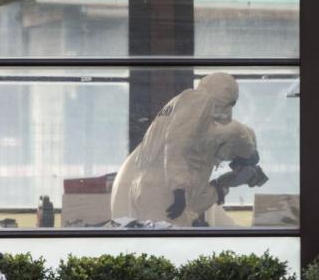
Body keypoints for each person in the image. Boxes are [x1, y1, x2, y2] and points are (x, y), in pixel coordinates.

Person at [110, 73, 267, 227]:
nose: (228, 161)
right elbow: (176, 143)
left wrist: (223, 185)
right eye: (235, 157)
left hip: (144, 191)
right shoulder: (199, 100)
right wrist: (178, 190)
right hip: (162, 193)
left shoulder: (183, 112)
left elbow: (192, 202)